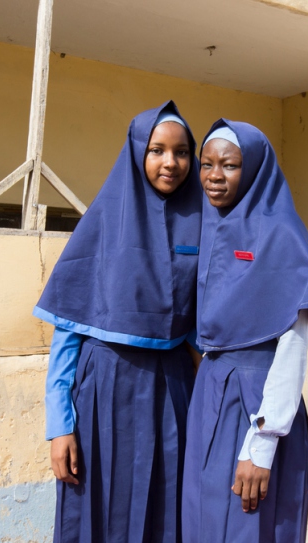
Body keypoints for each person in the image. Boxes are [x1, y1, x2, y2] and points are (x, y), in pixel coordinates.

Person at [33, 101, 203, 543]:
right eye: (157, 150)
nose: (171, 162)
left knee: (168, 513)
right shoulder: (102, 225)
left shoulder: (204, 225)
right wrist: (60, 427)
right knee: (100, 509)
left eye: (182, 151)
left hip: (173, 392)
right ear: (135, 154)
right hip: (105, 391)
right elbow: (67, 335)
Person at [182, 119, 308, 542]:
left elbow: (294, 342)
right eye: (205, 164)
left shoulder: (281, 232)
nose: (213, 175)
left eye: (228, 165)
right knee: (205, 518)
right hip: (211, 394)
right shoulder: (210, 226)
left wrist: (262, 441)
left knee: (251, 524)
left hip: (257, 403)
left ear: (255, 168)